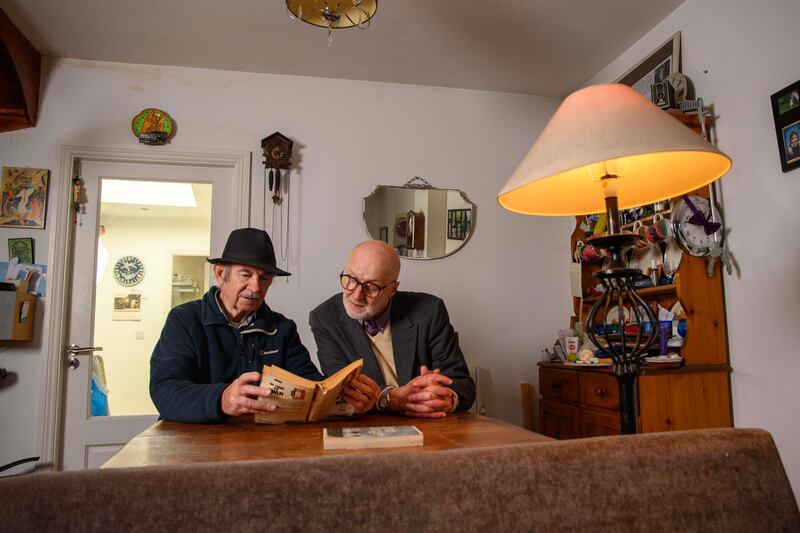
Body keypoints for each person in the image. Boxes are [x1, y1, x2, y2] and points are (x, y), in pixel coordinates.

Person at [150, 228, 377, 423]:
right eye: (246, 274)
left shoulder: (283, 328)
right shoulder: (183, 320)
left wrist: (341, 399)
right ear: (221, 274)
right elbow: (165, 390)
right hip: (194, 445)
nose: (256, 287)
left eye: (265, 278)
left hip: (262, 446)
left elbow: (310, 385)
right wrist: (221, 399)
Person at [309, 240, 475, 418]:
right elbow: (344, 390)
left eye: (371, 287)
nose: (356, 295)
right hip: (367, 428)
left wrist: (447, 397)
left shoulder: (429, 311)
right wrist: (391, 398)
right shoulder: (324, 318)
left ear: (393, 289)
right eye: (350, 279)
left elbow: (461, 383)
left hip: (428, 425)